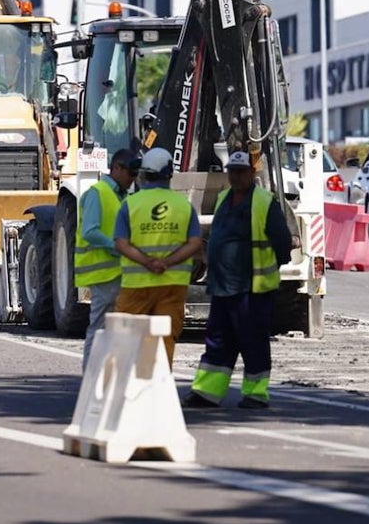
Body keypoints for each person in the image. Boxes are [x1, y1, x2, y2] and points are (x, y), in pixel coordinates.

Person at [186, 151, 293, 410]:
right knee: (218, 340)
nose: (235, 176)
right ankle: (207, 392)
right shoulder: (224, 198)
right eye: (232, 171)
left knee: (253, 341)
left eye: (240, 171)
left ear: (251, 173)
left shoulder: (264, 203)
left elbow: (283, 244)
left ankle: (256, 394)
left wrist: (265, 268)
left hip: (251, 288)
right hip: (222, 285)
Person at [113, 147, 202, 367]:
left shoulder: (130, 204)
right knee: (164, 341)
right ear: (169, 175)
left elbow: (121, 243)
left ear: (143, 174)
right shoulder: (184, 206)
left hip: (136, 286)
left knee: (127, 339)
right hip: (172, 285)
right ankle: (159, 388)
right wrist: (166, 263)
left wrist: (147, 262)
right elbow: (195, 243)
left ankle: (126, 388)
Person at [77, 148, 137, 371]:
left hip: (121, 272)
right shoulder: (98, 193)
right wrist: (117, 247)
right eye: (130, 173)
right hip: (103, 273)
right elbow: (89, 231)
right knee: (100, 326)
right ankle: (91, 377)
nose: (133, 179)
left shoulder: (125, 196)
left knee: (117, 328)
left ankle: (108, 376)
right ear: (117, 168)